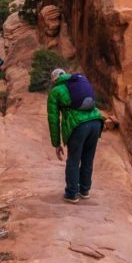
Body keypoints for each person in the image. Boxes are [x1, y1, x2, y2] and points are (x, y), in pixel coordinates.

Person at [47, 68, 104, 203]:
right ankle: (84, 190)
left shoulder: (55, 91)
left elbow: (53, 119)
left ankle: (72, 194)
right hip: (96, 122)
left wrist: (56, 144)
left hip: (78, 126)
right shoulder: (79, 80)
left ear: (54, 80)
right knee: (88, 158)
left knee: (73, 160)